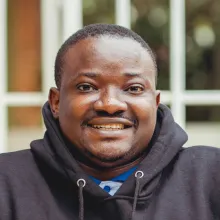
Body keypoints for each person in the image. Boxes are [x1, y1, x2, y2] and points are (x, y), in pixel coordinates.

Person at [0, 23, 220, 220]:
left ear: (155, 102)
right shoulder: (6, 182)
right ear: (56, 102)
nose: (110, 104)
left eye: (133, 88)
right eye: (87, 87)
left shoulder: (210, 177)